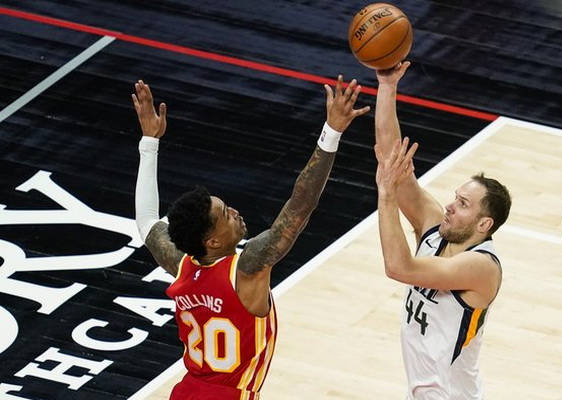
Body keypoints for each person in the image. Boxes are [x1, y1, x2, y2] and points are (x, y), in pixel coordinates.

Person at [131, 76, 369, 400]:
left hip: (186, 393)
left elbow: (146, 221)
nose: (235, 212)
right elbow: (301, 205)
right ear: (213, 242)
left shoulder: (182, 265)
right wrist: (332, 132)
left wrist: (149, 141)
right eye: (225, 214)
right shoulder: (247, 268)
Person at [374, 62, 512, 400]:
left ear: (484, 224)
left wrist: (387, 194)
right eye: (455, 197)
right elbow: (391, 160)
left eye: (463, 204)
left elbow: (398, 267)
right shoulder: (434, 231)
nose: (450, 206)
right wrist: (387, 86)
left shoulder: (481, 267)